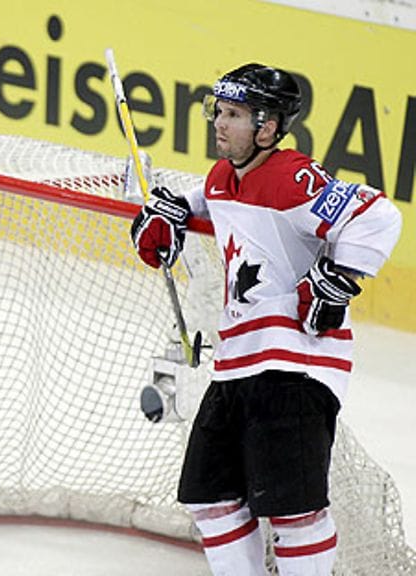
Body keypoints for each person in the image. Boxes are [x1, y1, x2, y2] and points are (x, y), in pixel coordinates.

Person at [130, 64, 401, 575]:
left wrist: (338, 279)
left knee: (296, 513)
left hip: (294, 365)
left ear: (268, 127)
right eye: (219, 111)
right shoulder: (221, 179)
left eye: (233, 115)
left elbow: (379, 215)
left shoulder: (291, 176)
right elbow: (206, 204)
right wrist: (169, 214)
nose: (219, 123)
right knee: (209, 498)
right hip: (237, 364)